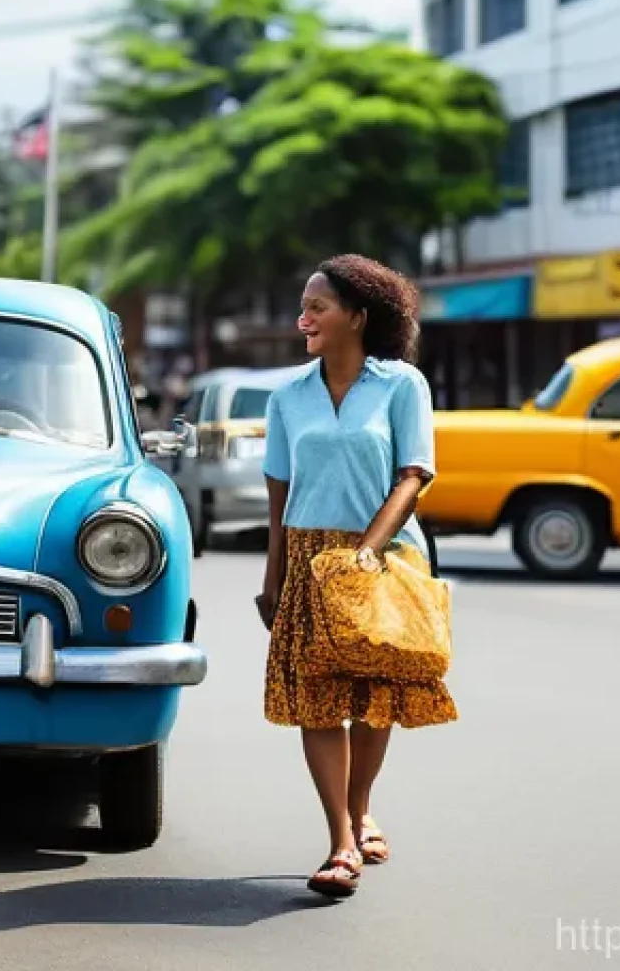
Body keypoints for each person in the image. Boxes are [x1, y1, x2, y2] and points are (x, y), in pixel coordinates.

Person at [259, 254, 458, 898]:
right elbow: (278, 493)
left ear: (359, 316)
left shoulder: (401, 385)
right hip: (311, 555)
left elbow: (414, 475)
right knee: (317, 703)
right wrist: (275, 576)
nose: (305, 318)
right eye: (305, 306)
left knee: (375, 701)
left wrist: (370, 550)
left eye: (319, 307)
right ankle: (342, 840)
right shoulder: (288, 396)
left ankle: (360, 804)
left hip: (387, 551)